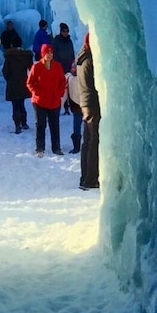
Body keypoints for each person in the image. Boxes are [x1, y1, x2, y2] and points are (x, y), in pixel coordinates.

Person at [26, 43, 66, 157]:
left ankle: (56, 148)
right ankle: (40, 148)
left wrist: (60, 93)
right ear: (43, 54)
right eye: (47, 53)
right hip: (40, 101)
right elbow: (29, 82)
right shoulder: (37, 66)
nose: (49, 55)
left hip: (54, 100)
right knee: (40, 124)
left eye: (51, 53)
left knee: (54, 125)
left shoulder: (57, 66)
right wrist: (37, 93)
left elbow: (62, 81)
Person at [77, 33, 100, 189]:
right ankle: (91, 179)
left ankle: (84, 177)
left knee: (87, 141)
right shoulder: (90, 61)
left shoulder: (81, 59)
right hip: (92, 103)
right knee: (94, 141)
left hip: (84, 103)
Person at [2, 45, 33, 133]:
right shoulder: (26, 56)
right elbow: (32, 70)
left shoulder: (9, 57)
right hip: (23, 82)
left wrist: (9, 79)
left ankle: (17, 124)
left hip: (12, 83)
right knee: (21, 104)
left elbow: (5, 71)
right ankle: (24, 122)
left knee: (15, 105)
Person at [51, 22, 76, 114]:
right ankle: (60, 106)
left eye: (67, 31)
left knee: (69, 88)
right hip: (60, 68)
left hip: (68, 67)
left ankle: (68, 107)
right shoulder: (56, 41)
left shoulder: (69, 41)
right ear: (61, 31)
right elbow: (54, 54)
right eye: (64, 31)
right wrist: (57, 65)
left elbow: (72, 53)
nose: (66, 32)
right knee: (61, 88)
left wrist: (73, 64)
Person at [63, 64, 83, 153]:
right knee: (77, 125)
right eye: (73, 68)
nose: (74, 69)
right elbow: (64, 93)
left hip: (85, 105)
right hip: (75, 106)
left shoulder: (83, 77)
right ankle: (77, 146)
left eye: (76, 68)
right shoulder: (68, 78)